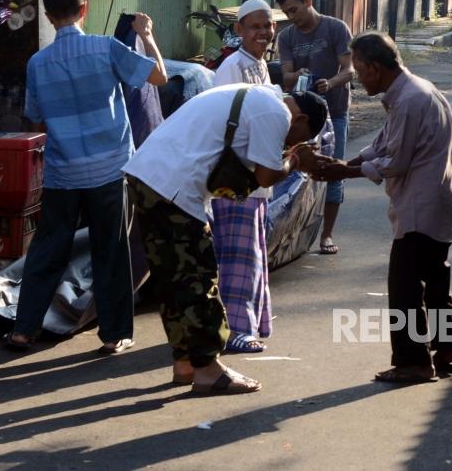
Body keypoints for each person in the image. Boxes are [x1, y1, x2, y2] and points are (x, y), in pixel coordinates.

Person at [123, 85, 328, 395]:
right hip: (173, 188)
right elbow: (266, 177)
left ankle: (185, 363)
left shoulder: (257, 96)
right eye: (297, 136)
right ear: (299, 117)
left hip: (149, 175)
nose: (291, 142)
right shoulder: (277, 113)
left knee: (171, 277)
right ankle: (207, 368)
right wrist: (297, 160)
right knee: (198, 277)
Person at [6, 0, 167, 353]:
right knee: (109, 251)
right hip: (110, 170)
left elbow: (35, 116)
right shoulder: (106, 48)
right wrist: (146, 34)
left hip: (63, 173)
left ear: (47, 16)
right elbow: (158, 76)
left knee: (47, 251)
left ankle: (23, 329)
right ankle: (114, 336)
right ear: (84, 10)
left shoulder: (38, 62)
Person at [312, 32, 452, 384]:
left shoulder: (411, 100)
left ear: (375, 68)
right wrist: (346, 162)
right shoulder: (412, 92)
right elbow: (384, 142)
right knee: (435, 282)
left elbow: (395, 162)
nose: (358, 79)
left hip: (421, 208)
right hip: (434, 203)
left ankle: (413, 362)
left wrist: (344, 171)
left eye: (360, 72)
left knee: (405, 288)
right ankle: (449, 349)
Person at [211, 0, 277, 352]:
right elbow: (225, 124)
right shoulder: (232, 66)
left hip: (255, 178)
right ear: (239, 30)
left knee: (252, 256)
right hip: (236, 180)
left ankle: (249, 325)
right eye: (255, 27)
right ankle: (235, 331)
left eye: (267, 26)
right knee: (237, 258)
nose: (263, 33)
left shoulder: (261, 65)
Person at [276, 0, 354, 255]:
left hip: (336, 112)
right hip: (303, 121)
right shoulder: (286, 37)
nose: (291, 17)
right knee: (296, 174)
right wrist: (294, 77)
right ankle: (292, 234)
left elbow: (349, 70)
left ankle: (327, 235)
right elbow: (285, 75)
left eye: (294, 9)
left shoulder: (335, 28)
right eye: (286, 13)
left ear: (308, 0)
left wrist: (330, 84)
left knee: (333, 172)